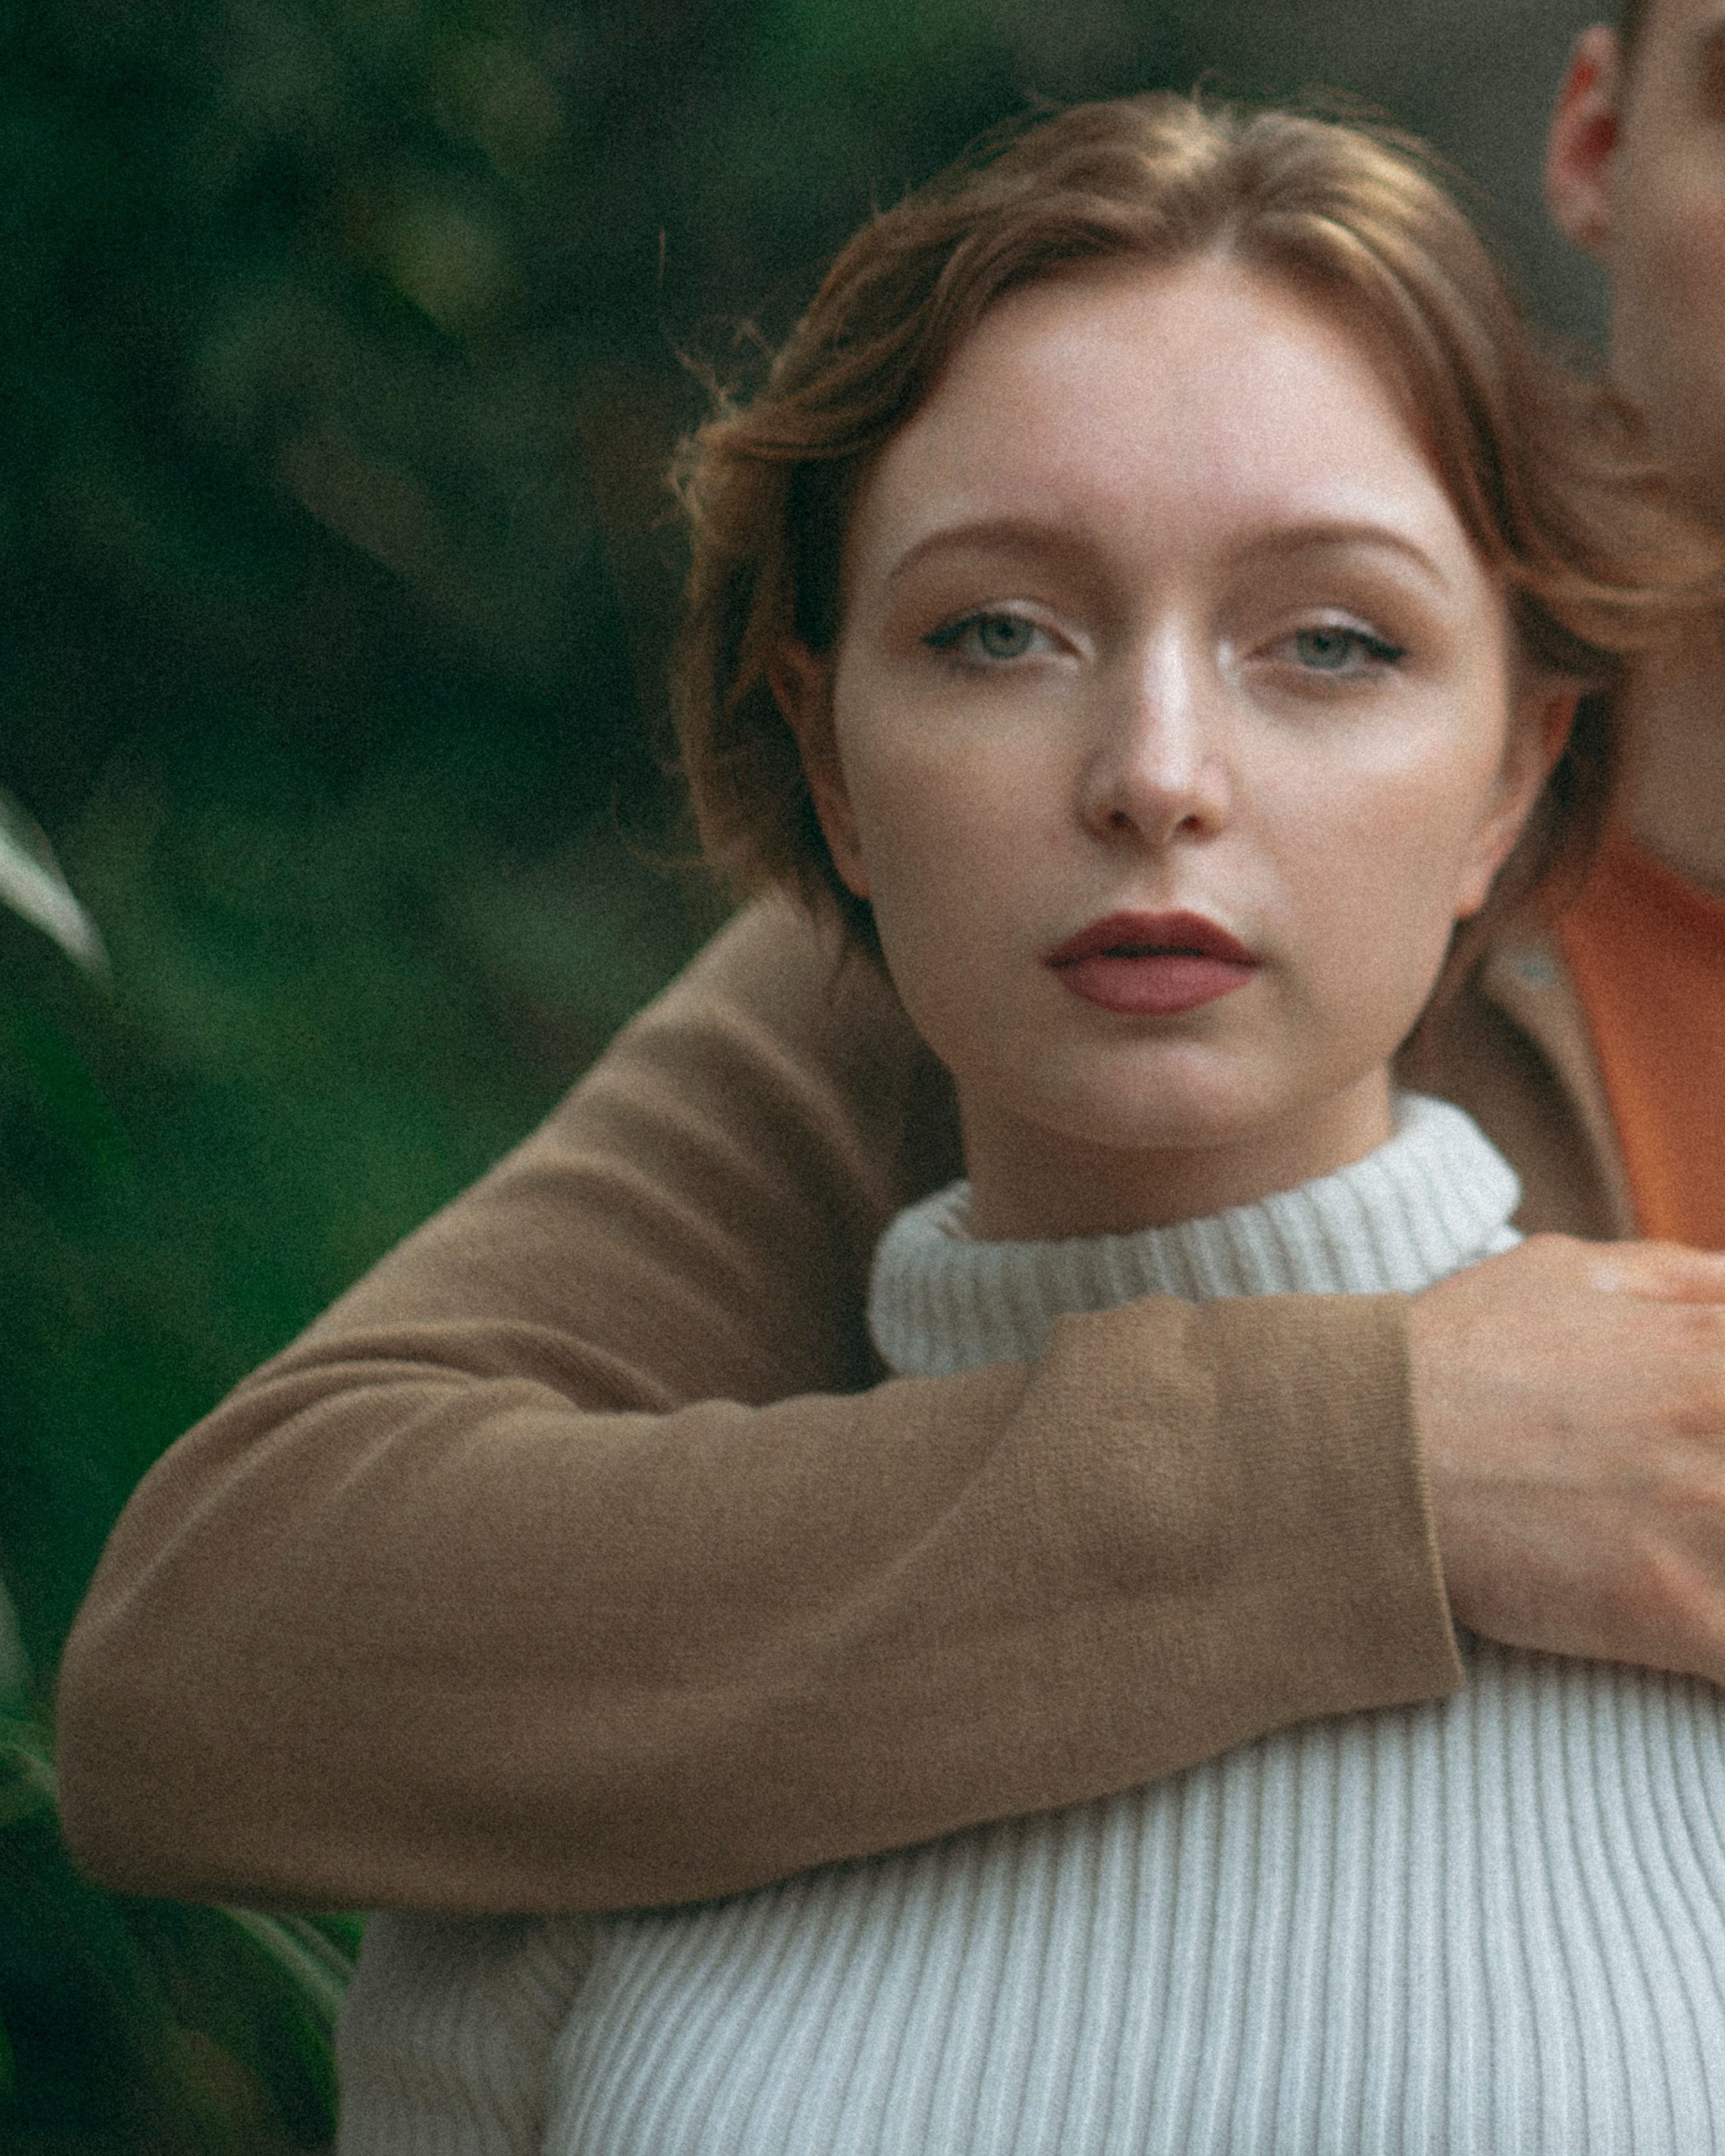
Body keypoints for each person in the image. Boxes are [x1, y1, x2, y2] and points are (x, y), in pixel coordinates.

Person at [51, 0, 1725, 1917]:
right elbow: (227, 1660)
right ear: (1600, 137)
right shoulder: (1080, 938)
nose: (1161, 769)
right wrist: (1382, 1459)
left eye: (1328, 646)